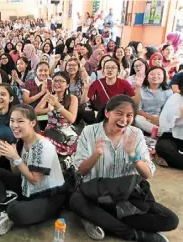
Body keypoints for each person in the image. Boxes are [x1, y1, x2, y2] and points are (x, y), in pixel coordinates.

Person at [70, 95, 178, 242]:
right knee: (76, 200)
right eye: (119, 113)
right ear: (108, 113)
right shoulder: (90, 131)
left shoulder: (135, 133)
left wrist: (133, 154)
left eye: (129, 115)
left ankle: (99, 218)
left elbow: (147, 174)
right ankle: (136, 234)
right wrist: (96, 154)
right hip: (96, 192)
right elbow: (81, 171)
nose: (124, 120)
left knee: (170, 220)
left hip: (125, 196)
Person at [0, 104, 66, 235]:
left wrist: (15, 157)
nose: (14, 125)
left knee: (15, 211)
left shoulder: (44, 146)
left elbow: (36, 180)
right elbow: (17, 172)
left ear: (32, 123)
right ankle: (2, 209)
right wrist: (11, 159)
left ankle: (8, 206)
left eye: (20, 121)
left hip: (48, 196)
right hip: (27, 185)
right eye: (12, 121)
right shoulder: (22, 140)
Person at [35, 72, 79, 156]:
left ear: (67, 85)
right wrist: (48, 109)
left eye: (61, 81)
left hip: (66, 130)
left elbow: (72, 119)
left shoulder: (72, 98)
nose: (57, 83)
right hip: (51, 130)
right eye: (55, 81)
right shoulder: (49, 96)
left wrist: (57, 105)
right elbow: (36, 111)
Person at [135, 67, 172, 135]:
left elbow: (167, 109)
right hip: (144, 116)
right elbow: (138, 109)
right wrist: (152, 118)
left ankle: (155, 131)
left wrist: (159, 119)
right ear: (147, 76)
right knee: (137, 119)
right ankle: (162, 133)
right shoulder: (141, 89)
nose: (155, 76)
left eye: (159, 74)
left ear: (163, 77)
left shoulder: (168, 91)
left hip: (160, 117)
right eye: (152, 74)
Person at [156, 82, 183, 169]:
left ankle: (170, 161)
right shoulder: (176, 97)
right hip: (172, 136)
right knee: (163, 148)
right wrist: (179, 113)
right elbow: (166, 122)